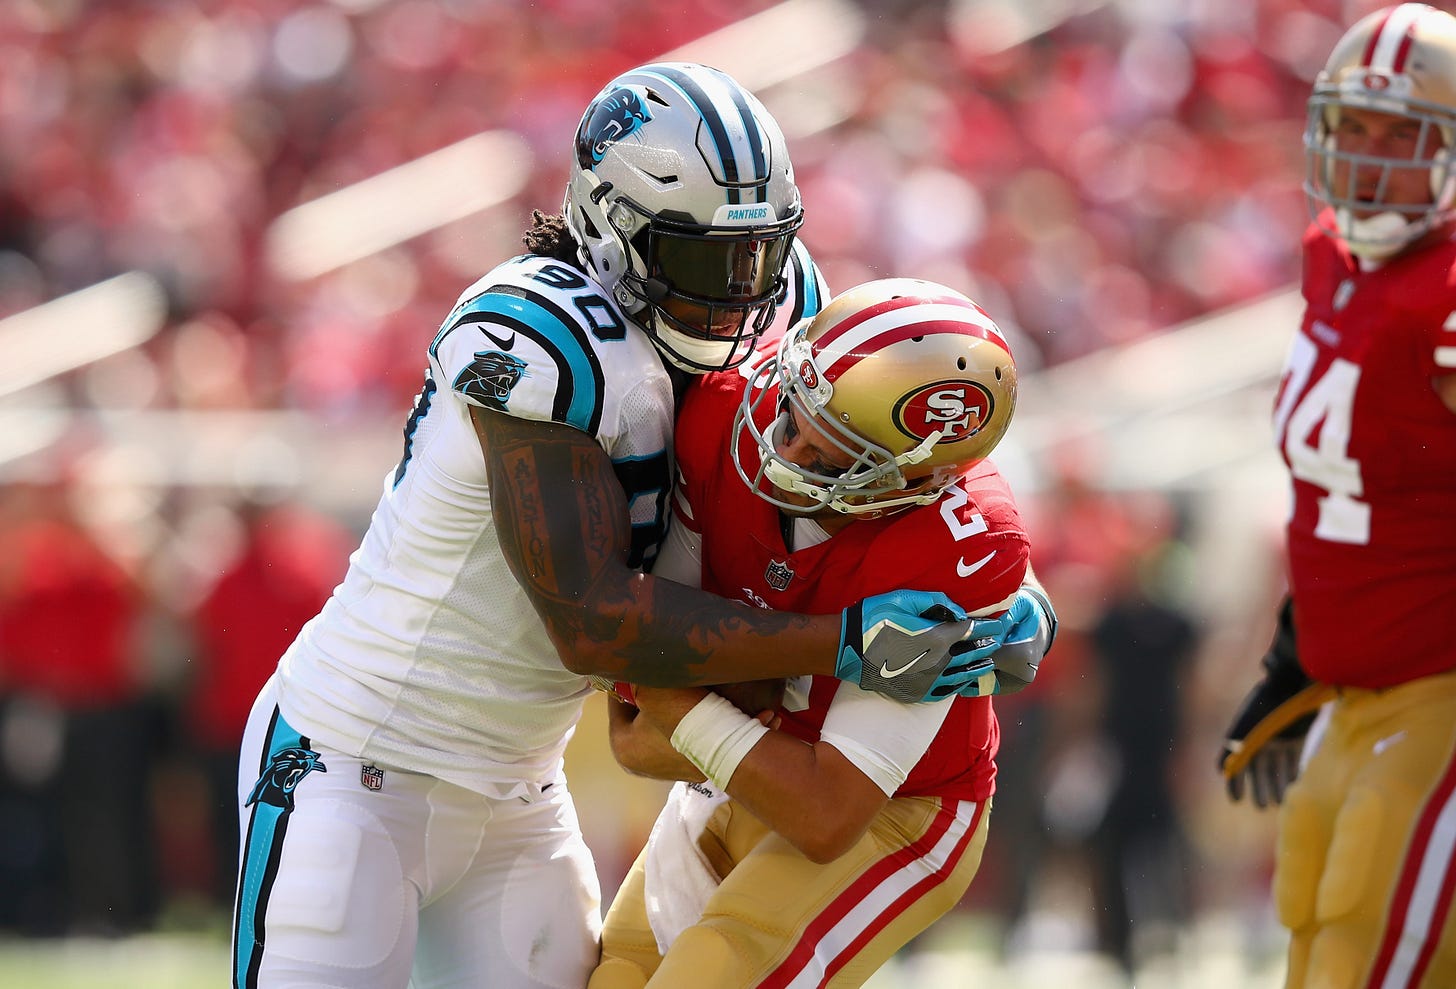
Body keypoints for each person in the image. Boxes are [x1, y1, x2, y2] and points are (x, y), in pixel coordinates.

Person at [232, 63, 1051, 989]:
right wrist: (846, 643)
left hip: (522, 783)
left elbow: (883, 440)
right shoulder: (538, 335)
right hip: (356, 755)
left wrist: (998, 586)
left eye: (756, 255)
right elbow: (593, 623)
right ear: (613, 228)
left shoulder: (781, 301)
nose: (740, 293)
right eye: (705, 260)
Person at [587, 278, 1053, 989]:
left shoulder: (954, 545)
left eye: (832, 458)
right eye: (793, 416)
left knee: (716, 968)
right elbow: (633, 738)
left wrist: (685, 692)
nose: (784, 452)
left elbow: (826, 813)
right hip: (735, 777)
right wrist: (684, 695)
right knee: (616, 973)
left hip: (896, 808)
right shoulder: (727, 409)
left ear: (918, 478)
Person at [1218, 6, 1456, 988]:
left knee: (1372, 942)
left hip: (1439, 697)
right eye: (1349, 127)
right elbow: (1344, 493)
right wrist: (1297, 647)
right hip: (1352, 696)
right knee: (1317, 938)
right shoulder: (1336, 257)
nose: (1365, 159)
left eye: (1398, 136)